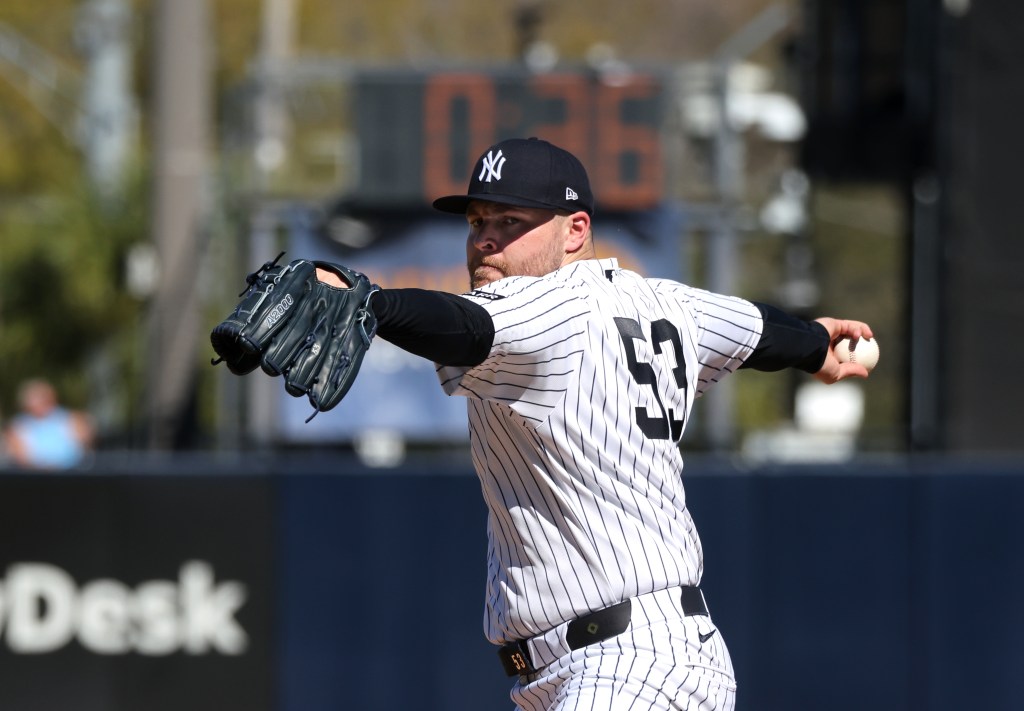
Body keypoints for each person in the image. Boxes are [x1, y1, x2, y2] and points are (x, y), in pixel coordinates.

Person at [312, 137, 873, 710]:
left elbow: (462, 325)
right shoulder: (670, 303)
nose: (485, 237)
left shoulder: (545, 307)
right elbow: (759, 329)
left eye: (511, 220)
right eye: (478, 219)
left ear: (575, 231)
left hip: (627, 663)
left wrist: (371, 304)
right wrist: (814, 344)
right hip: (612, 665)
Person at [5, 378, 95, 470]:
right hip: (35, 475)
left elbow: (84, 447)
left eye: (41, 397)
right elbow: (20, 455)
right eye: (34, 398)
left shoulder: (73, 418)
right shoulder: (18, 425)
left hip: (72, 472)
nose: (38, 402)